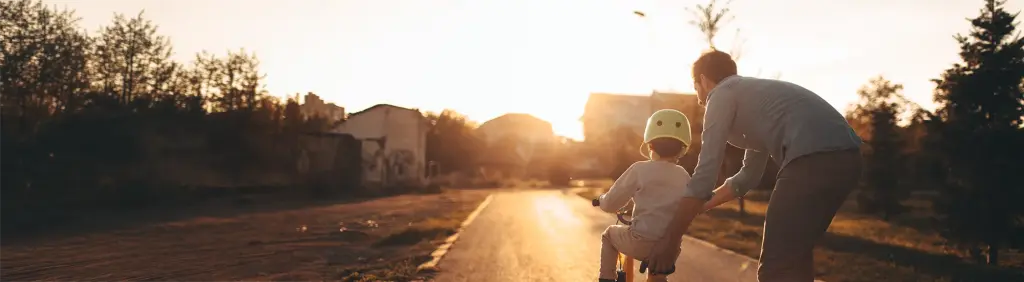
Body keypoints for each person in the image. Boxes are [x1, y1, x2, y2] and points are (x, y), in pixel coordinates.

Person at [642, 50, 863, 282]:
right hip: (848, 159)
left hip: (812, 159)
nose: (698, 98)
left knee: (774, 269)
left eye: (695, 87)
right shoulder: (754, 98)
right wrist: (696, 207)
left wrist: (670, 241)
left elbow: (705, 174)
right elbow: (748, 177)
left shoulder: (721, 94)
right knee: (795, 258)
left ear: (704, 81)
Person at [593, 109, 693, 282]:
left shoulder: (639, 169)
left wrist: (602, 200)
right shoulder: (683, 175)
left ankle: (607, 278)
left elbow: (610, 204)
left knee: (609, 235)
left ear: (650, 145)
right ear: (683, 148)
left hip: (640, 241)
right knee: (657, 277)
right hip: (670, 247)